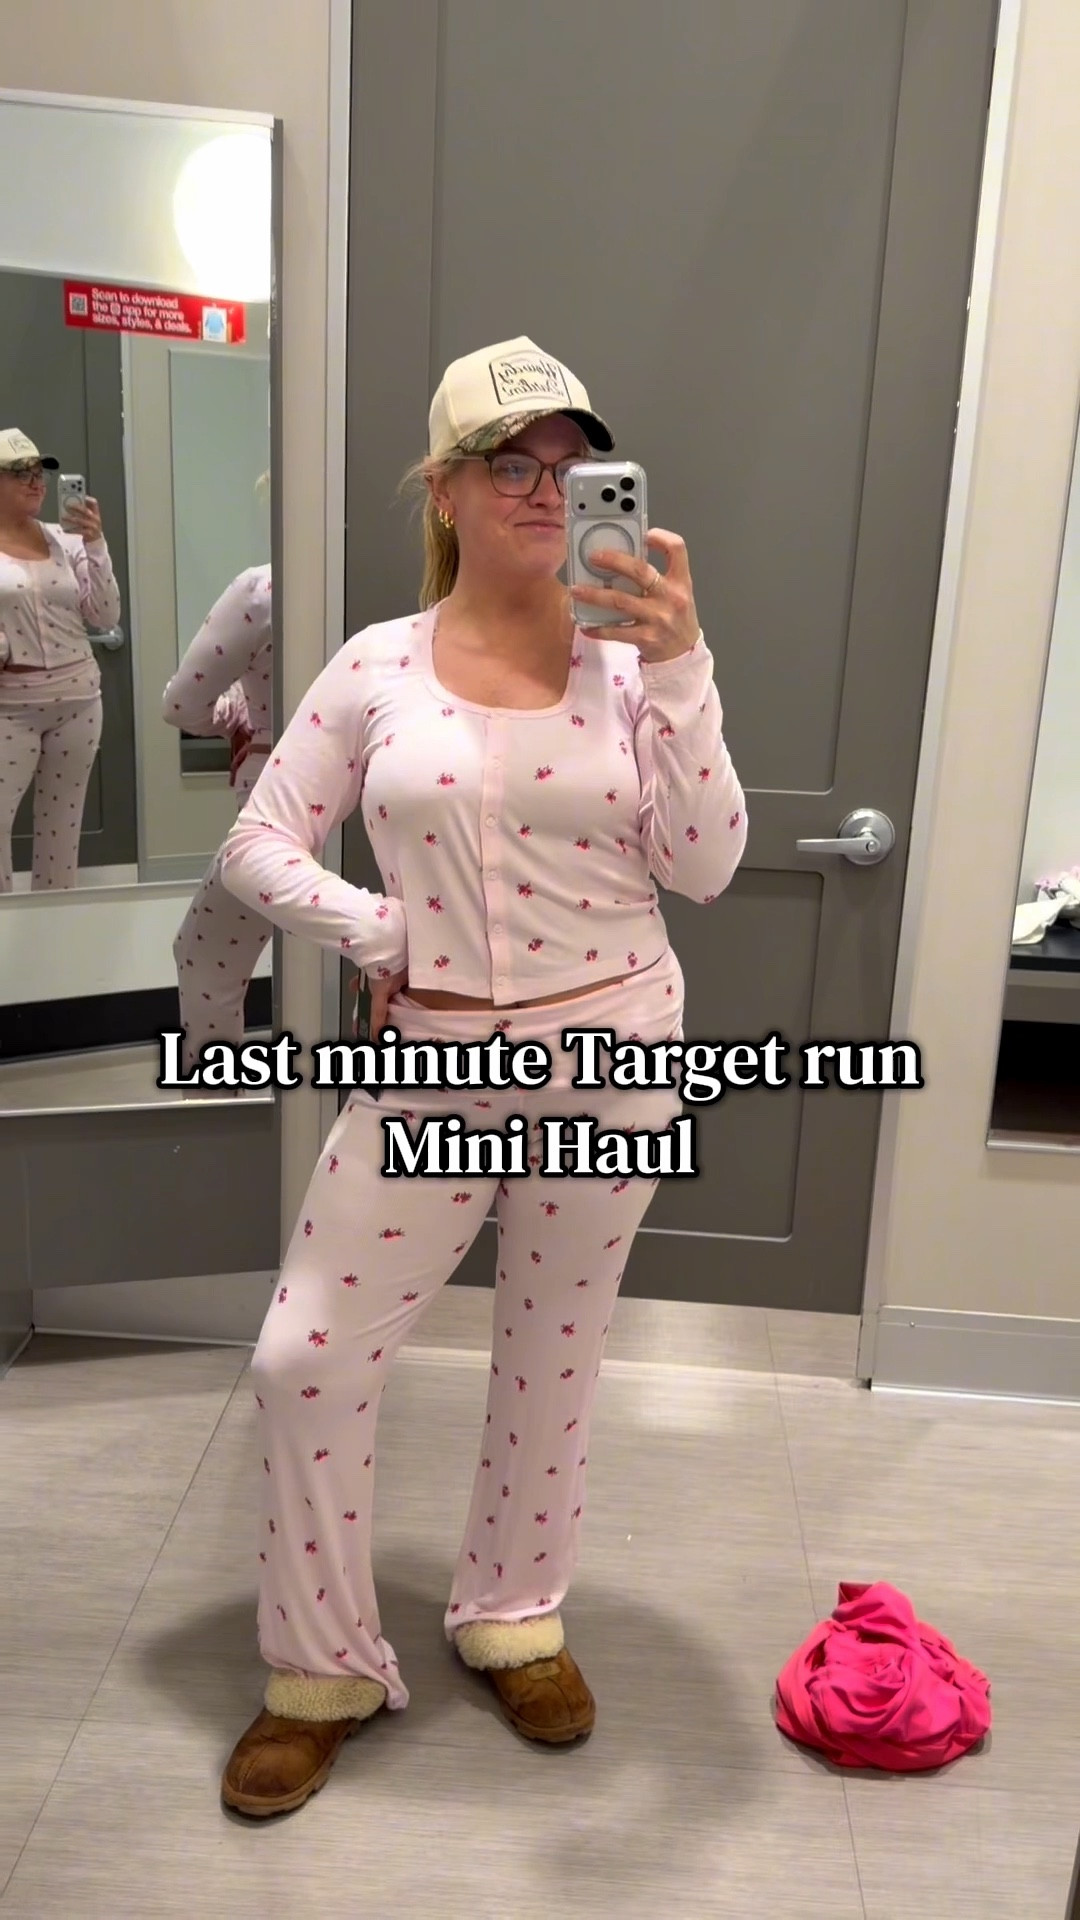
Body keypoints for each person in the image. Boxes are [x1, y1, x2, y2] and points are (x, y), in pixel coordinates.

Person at [217, 337, 748, 1818]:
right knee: (306, 1358)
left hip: (616, 1053)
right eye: (509, 462)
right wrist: (377, 926)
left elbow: (707, 865)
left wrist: (685, 664)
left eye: (574, 464)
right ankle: (319, 1669)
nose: (545, 488)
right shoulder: (376, 664)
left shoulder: (636, 667)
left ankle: (515, 1614)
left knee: (554, 1348)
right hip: (433, 1066)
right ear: (444, 488)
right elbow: (257, 841)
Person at [161, 558, 274, 1076]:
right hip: (384, 789)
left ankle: (214, 1103)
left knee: (203, 956)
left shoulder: (263, 590)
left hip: (279, 800)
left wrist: (242, 716)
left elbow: (182, 705)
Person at [0, 429, 120, 890]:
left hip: (78, 702)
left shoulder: (65, 541)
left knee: (61, 834)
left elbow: (105, 615)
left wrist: (95, 543)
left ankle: (53, 927)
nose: (36, 482)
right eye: (20, 473)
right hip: (9, 707)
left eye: (39, 472)